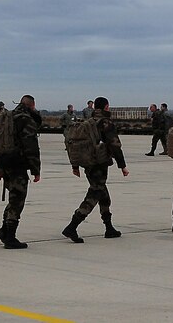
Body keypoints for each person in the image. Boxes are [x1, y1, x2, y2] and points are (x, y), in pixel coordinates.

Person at [62, 97, 128, 243]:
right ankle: (72, 226)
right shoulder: (105, 123)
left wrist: (75, 165)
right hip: (99, 163)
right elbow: (115, 145)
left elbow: (76, 144)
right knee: (94, 194)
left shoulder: (88, 122)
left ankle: (109, 228)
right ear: (106, 107)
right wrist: (122, 165)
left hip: (88, 164)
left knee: (103, 195)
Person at [0, 95, 41, 249]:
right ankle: (10, 237)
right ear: (32, 105)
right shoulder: (26, 119)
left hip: (5, 163)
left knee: (13, 198)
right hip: (17, 164)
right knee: (17, 200)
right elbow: (31, 146)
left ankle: (4, 230)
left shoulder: (8, 117)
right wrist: (36, 170)